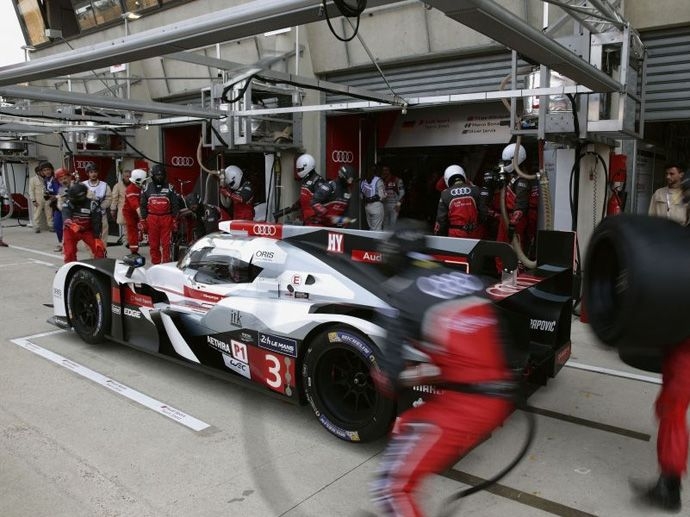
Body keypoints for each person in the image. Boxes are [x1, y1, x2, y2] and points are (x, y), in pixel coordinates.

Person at [369, 220, 516, 517]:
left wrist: (393, 373)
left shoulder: (399, 293)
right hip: (497, 395)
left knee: (390, 487)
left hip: (467, 404)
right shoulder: (471, 281)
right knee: (406, 426)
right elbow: (493, 349)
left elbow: (390, 378)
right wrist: (432, 371)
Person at [274, 153, 331, 226]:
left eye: (300, 169)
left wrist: (317, 217)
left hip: (315, 223)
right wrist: (296, 205)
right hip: (306, 220)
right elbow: (305, 197)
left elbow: (324, 203)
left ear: (307, 166)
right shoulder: (305, 180)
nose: (298, 171)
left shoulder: (318, 182)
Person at [140, 164, 180, 264]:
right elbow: (143, 205)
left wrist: (175, 219)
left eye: (161, 175)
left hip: (166, 218)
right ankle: (156, 264)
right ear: (153, 175)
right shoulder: (146, 188)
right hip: (152, 218)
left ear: (164, 175)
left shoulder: (170, 187)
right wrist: (143, 220)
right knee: (154, 244)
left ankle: (166, 264)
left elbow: (175, 204)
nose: (159, 177)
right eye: (157, 175)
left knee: (166, 244)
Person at [434, 164, 483, 238]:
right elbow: (483, 212)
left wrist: (438, 234)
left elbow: (441, 219)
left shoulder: (445, 194)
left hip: (456, 233)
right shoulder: (475, 189)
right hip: (475, 232)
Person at [496, 144, 530, 250]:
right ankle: (503, 267)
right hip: (506, 217)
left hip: (514, 220)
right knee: (501, 248)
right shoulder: (512, 177)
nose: (504, 165)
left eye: (507, 162)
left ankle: (516, 267)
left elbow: (521, 203)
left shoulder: (522, 180)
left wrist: (513, 223)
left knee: (516, 249)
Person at [61, 183, 106, 263]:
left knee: (99, 249)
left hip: (87, 230)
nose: (71, 199)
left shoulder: (93, 204)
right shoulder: (67, 202)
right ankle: (69, 269)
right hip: (71, 230)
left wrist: (97, 237)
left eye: (73, 198)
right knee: (69, 252)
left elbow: (97, 221)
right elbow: (65, 214)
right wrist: (70, 223)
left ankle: (101, 267)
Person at [82, 162, 112, 245]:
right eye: (91, 172)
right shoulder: (83, 185)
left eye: (95, 172)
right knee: (88, 236)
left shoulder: (104, 185)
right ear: (88, 173)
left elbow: (109, 198)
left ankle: (102, 253)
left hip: (101, 214)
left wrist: (101, 207)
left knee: (103, 235)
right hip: (87, 215)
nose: (93, 174)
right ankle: (92, 255)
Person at [123, 168, 147, 255]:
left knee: (140, 231)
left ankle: (134, 241)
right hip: (130, 213)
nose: (145, 183)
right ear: (138, 181)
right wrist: (143, 219)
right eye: (144, 181)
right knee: (132, 230)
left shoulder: (142, 188)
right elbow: (135, 206)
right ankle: (134, 251)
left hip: (139, 211)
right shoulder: (130, 190)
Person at [29, 161, 56, 233]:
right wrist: (33, 200)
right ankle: (36, 227)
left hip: (47, 198)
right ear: (37, 172)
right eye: (42, 171)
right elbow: (31, 191)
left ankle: (51, 226)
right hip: (38, 199)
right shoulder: (33, 180)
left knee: (49, 212)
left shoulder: (47, 179)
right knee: (37, 213)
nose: (43, 173)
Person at [52, 168, 72, 253]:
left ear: (70, 177)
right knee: (63, 228)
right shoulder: (61, 190)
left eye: (65, 178)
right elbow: (61, 207)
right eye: (60, 180)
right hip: (68, 215)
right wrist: (59, 200)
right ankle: (65, 246)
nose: (63, 181)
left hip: (80, 215)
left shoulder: (77, 186)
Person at [360, 165, 385, 231]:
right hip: (376, 206)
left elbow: (361, 196)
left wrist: (367, 199)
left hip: (367, 207)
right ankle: (376, 241)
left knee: (371, 228)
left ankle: (371, 241)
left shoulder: (363, 181)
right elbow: (381, 196)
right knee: (377, 229)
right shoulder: (378, 180)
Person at [381, 163, 405, 229]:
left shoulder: (397, 180)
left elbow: (402, 193)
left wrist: (398, 204)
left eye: (386, 170)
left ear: (389, 171)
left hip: (394, 205)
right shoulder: (380, 180)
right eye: (383, 170)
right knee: (384, 224)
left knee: (393, 225)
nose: (384, 172)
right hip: (384, 205)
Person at [110, 169, 132, 244]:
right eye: (126, 176)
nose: (128, 178)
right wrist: (113, 209)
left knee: (132, 227)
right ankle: (127, 242)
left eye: (129, 176)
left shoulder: (134, 185)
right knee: (125, 227)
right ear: (123, 176)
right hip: (122, 209)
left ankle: (130, 241)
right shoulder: (118, 186)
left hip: (133, 210)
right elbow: (114, 198)